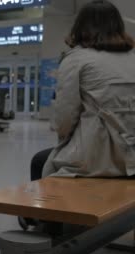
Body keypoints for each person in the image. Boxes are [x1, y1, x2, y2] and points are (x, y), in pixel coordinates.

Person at [30, 0, 135, 179]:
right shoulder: (132, 58)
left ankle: (48, 207)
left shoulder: (76, 60)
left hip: (97, 159)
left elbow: (64, 121)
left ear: (80, 27)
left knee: (39, 161)